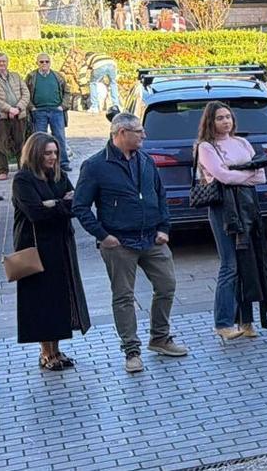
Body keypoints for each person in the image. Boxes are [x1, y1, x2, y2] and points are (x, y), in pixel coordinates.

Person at [73, 112, 187, 373]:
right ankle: (131, 351)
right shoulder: (95, 166)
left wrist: (164, 227)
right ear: (121, 133)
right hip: (119, 243)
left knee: (167, 285)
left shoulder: (146, 160)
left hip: (152, 238)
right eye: (138, 131)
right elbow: (80, 206)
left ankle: (160, 338)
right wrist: (103, 236)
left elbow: (160, 195)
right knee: (124, 296)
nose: (144, 135)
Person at [12, 132, 90, 371]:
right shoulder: (23, 180)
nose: (52, 157)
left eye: (55, 152)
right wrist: (61, 203)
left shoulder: (59, 176)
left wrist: (54, 204)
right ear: (35, 153)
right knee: (41, 300)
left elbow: (76, 203)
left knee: (59, 298)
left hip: (61, 245)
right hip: (36, 247)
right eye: (47, 152)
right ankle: (46, 352)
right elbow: (35, 212)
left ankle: (55, 348)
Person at [195, 102, 267, 341]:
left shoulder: (242, 142)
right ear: (210, 121)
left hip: (248, 207)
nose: (226, 122)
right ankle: (223, 321)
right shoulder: (205, 147)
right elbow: (222, 176)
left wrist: (238, 174)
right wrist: (245, 172)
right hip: (224, 209)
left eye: (228, 117)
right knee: (230, 264)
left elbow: (261, 175)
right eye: (220, 118)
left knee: (249, 261)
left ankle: (246, 321)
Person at [0, 53, 30, 181]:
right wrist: (9, 109)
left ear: (7, 62)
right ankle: (2, 170)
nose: (1, 64)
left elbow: (26, 93)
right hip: (1, 116)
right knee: (1, 144)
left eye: (3, 61)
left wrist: (18, 108)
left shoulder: (16, 76)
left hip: (19, 115)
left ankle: (23, 168)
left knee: (20, 142)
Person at [26, 53, 71, 172]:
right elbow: (26, 93)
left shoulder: (58, 76)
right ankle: (40, 164)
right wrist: (32, 107)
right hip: (39, 111)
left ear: (50, 63)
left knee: (60, 137)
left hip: (56, 111)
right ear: (37, 63)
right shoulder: (31, 76)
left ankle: (63, 163)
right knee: (40, 138)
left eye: (47, 61)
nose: (44, 64)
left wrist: (63, 106)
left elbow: (67, 92)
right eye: (41, 62)